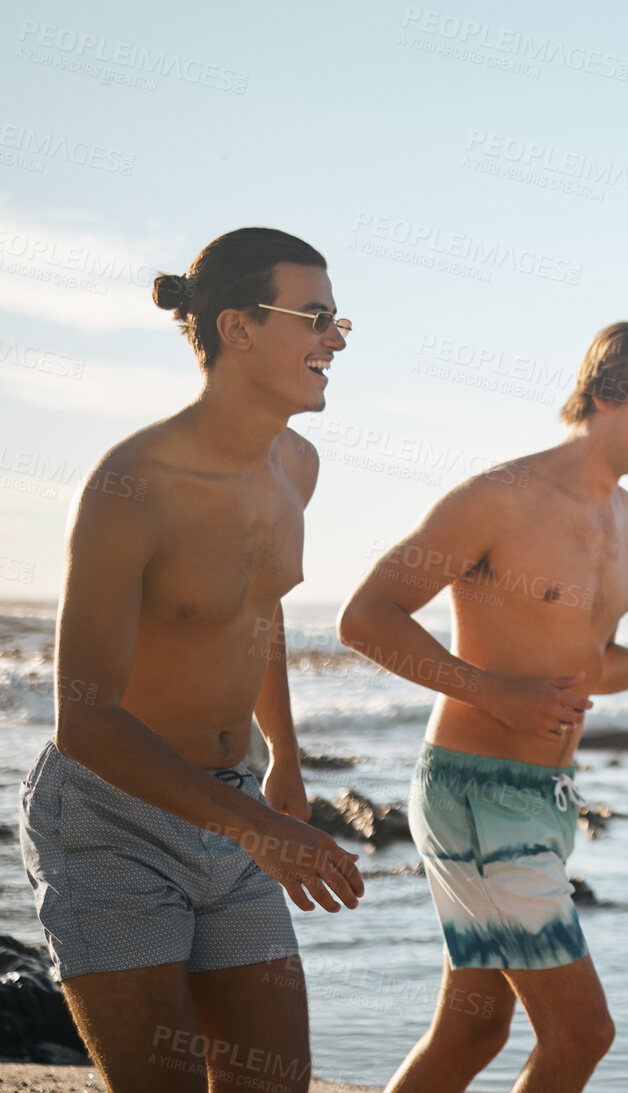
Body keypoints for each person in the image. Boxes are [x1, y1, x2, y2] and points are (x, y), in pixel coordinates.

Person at [19, 227, 365, 1093]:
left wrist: (282, 757)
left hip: (233, 807)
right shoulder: (131, 484)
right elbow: (84, 718)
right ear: (238, 327)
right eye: (316, 316)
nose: (337, 337)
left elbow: (260, 611)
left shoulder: (297, 466)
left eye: (338, 318)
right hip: (112, 822)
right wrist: (257, 827)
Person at [338, 317, 628, 1093]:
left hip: (545, 798)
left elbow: (583, 669)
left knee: (473, 1027)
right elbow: (366, 615)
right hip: (474, 793)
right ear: (609, 394)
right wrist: (490, 690)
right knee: (580, 1033)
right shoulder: (497, 500)